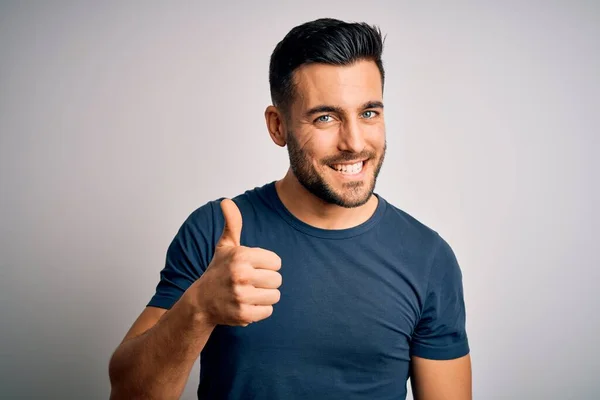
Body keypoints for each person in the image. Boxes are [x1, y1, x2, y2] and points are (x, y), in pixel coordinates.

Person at [108, 17, 472, 400]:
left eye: (369, 113)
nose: (354, 141)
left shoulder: (428, 257)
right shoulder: (214, 232)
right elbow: (129, 393)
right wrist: (198, 307)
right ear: (278, 126)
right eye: (325, 117)